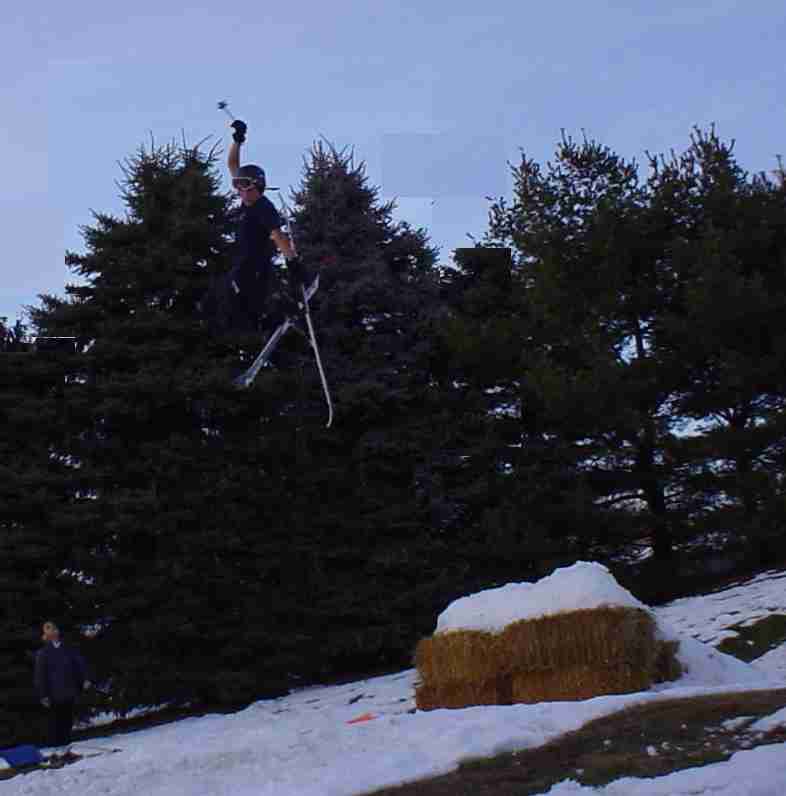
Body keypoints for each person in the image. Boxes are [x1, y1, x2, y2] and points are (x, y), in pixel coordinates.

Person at [215, 118, 312, 334]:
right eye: (237, 186)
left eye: (245, 186)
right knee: (227, 300)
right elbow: (232, 165)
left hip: (256, 264)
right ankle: (262, 321)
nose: (241, 191)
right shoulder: (248, 200)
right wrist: (237, 140)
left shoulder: (264, 208)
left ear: (258, 186)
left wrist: (293, 262)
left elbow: (278, 236)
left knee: (242, 298)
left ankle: (282, 309)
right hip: (243, 261)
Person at [34, 621, 92, 753]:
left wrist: (86, 678)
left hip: (69, 690)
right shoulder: (43, 653)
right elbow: (40, 676)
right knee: (56, 722)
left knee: (67, 720)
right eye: (48, 630)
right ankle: (57, 750)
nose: (52, 633)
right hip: (53, 694)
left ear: (57, 631)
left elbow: (80, 663)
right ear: (45, 635)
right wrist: (43, 695)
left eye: (53, 629)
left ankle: (67, 749)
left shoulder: (68, 648)